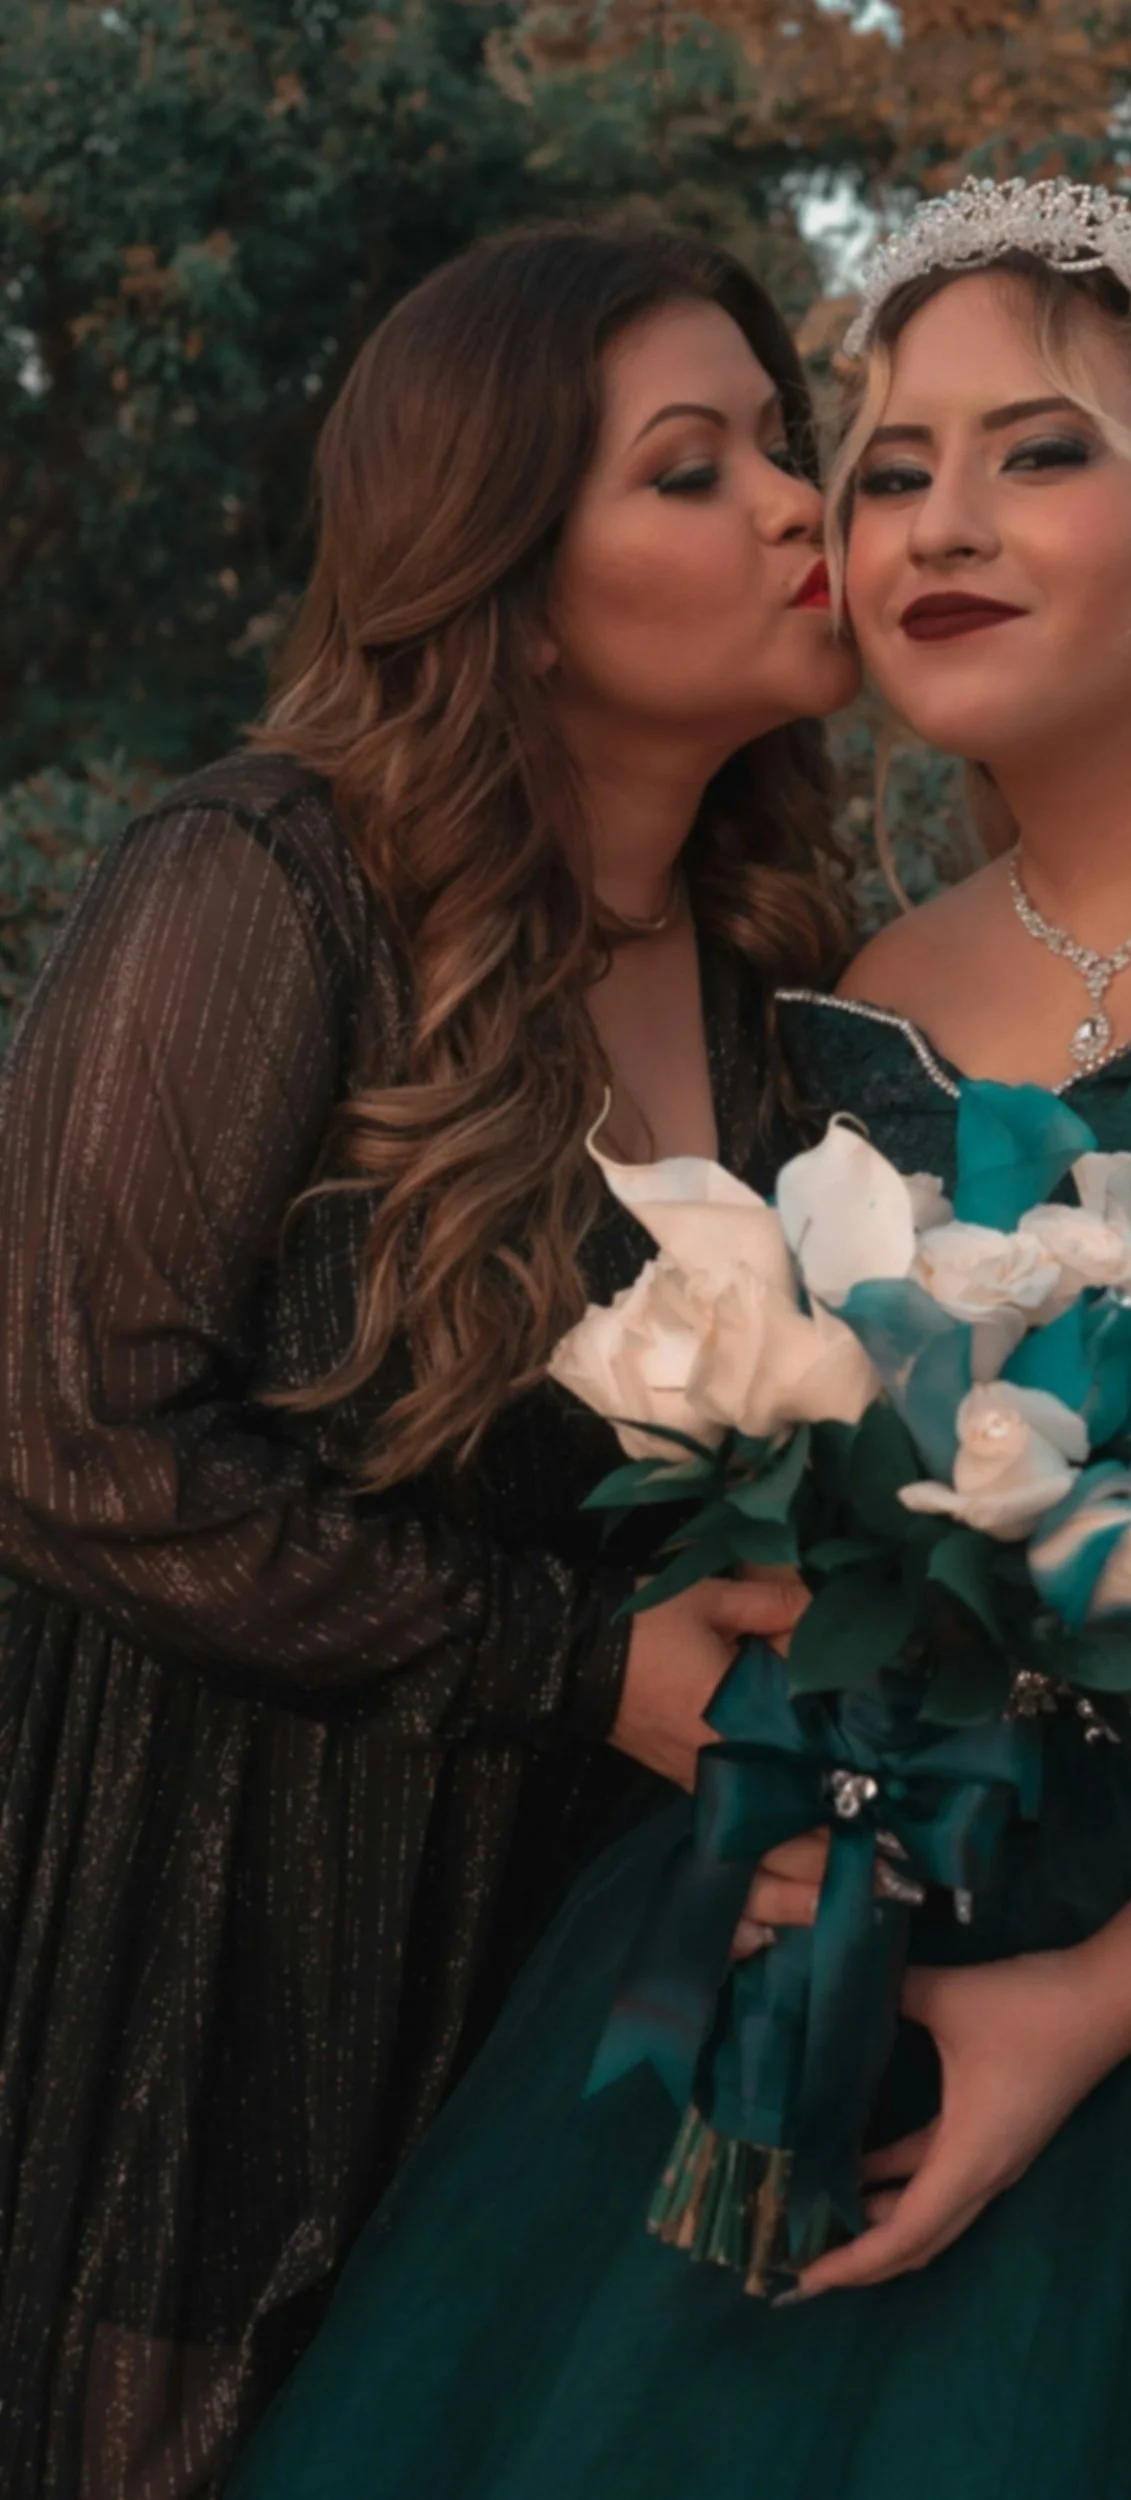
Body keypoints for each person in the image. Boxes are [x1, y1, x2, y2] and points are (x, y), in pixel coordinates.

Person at [226, 180, 1131, 2499]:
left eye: (1035, 454)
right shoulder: (852, 1004)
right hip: (902, 1900)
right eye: (888, 467)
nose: (936, 523)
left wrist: (1086, 2000)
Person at [0, 219, 856, 2498]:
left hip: (584, 1987)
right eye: (696, 470)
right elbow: (71, 1436)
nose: (802, 504)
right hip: (235, 1952)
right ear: (497, 565)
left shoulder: (795, 978)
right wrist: (583, 1664)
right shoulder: (258, 877)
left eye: (784, 447)